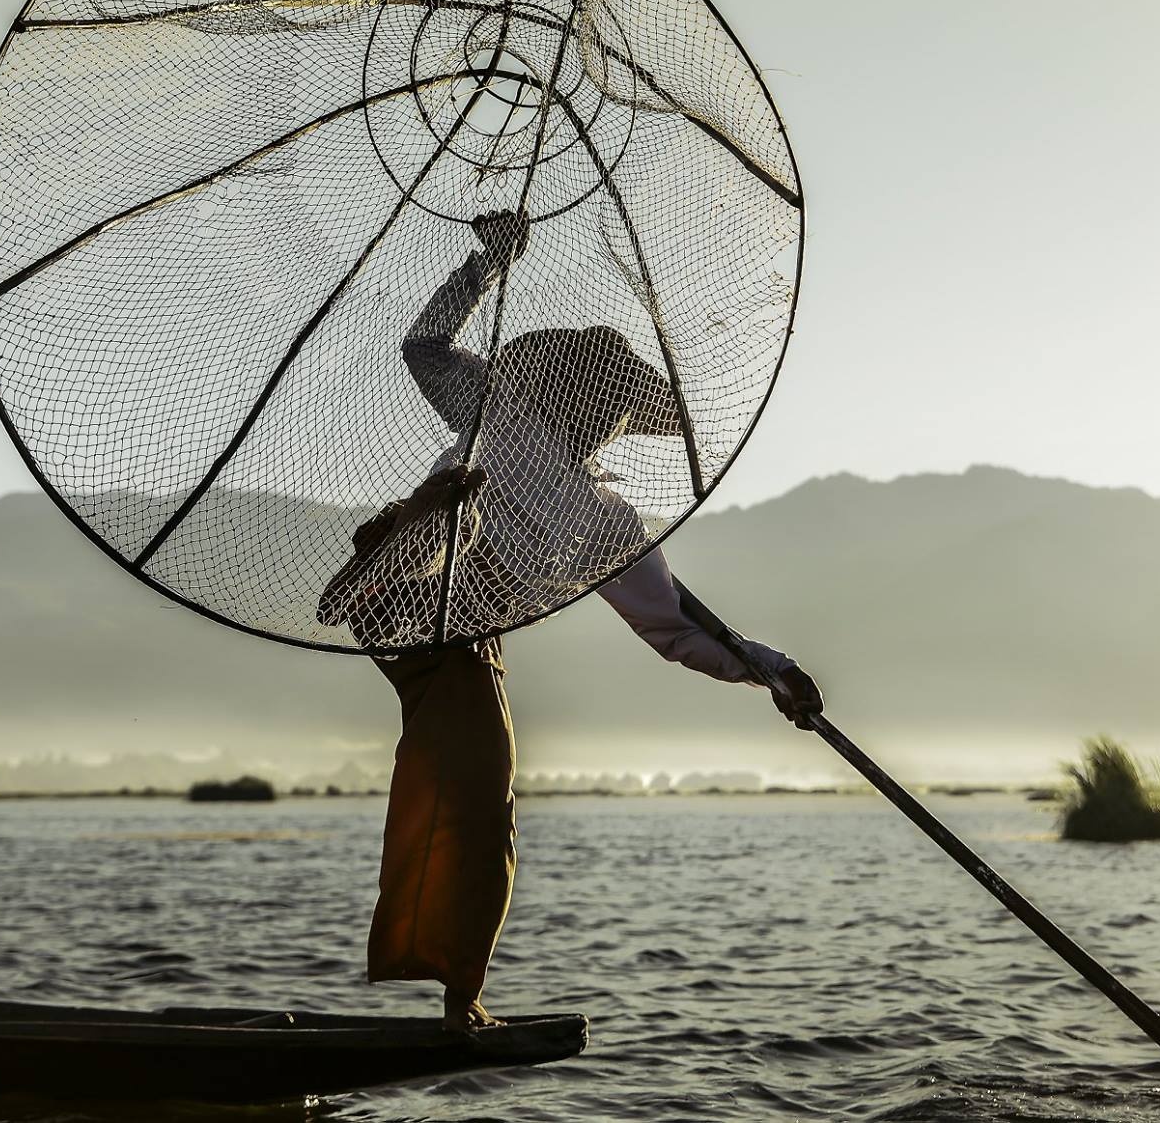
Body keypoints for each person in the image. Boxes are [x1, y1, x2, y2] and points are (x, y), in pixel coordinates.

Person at [319, 212, 822, 1031]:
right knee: (479, 789)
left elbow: (678, 629)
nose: (598, 410)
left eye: (609, 401)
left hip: (465, 643)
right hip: (409, 591)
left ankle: (452, 995)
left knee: (482, 804)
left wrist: (775, 671)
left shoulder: (611, 521)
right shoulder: (497, 407)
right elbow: (424, 346)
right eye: (591, 390)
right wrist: (488, 263)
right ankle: (458, 1003)